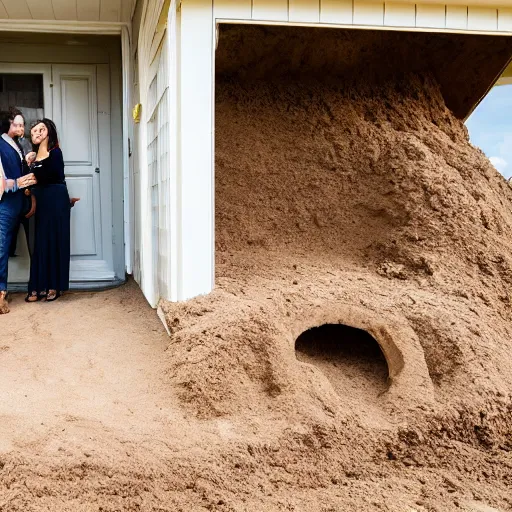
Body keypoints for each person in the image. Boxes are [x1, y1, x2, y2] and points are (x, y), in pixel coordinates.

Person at [26, 119, 74, 303]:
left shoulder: (55, 153)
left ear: (49, 132)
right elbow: (28, 179)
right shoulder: (32, 157)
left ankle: (54, 286)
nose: (37, 133)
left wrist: (34, 163)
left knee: (56, 241)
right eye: (33, 132)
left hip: (57, 199)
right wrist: (29, 162)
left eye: (41, 129)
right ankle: (37, 287)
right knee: (41, 243)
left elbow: (47, 176)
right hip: (42, 202)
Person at [0, 109, 37, 314]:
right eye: (17, 124)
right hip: (5, 205)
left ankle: (39, 285)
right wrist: (18, 182)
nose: (21, 128)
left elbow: (18, 171)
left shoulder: (19, 146)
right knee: (1, 248)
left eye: (22, 125)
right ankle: (1, 293)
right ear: (8, 124)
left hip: (21, 203)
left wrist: (27, 162)